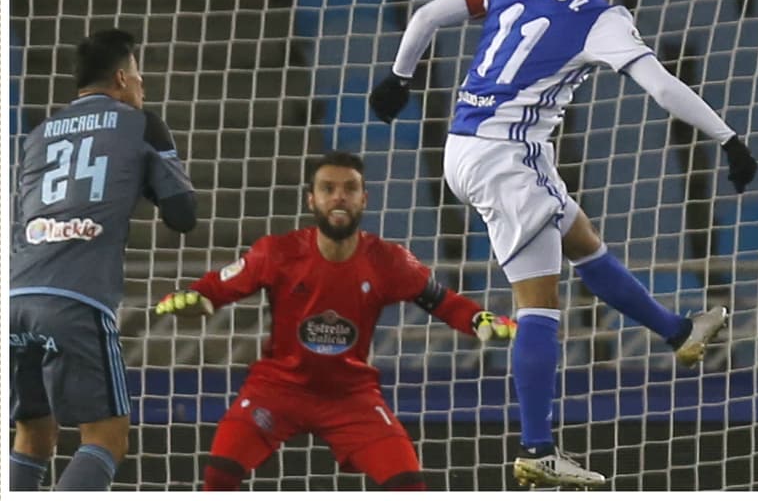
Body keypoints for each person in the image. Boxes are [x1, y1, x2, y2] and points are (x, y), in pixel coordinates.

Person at [368, 0, 758, 487]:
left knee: (581, 239)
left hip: (464, 143)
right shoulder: (605, 18)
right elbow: (663, 87)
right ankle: (537, 448)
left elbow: (428, 15)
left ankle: (678, 332)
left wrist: (398, 78)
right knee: (539, 305)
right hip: (509, 159)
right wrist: (730, 139)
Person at [153, 151, 516, 491]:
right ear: (312, 200)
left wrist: (479, 320)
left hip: (351, 396)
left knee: (410, 485)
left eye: (350, 189)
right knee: (219, 474)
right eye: (328, 189)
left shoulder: (388, 261)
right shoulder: (277, 253)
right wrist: (195, 299)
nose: (339, 197)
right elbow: (216, 289)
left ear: (364, 200)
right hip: (278, 390)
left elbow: (442, 301)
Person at [9, 28, 199, 491]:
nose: (141, 86)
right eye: (138, 76)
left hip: (14, 294)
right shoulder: (140, 124)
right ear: (121, 76)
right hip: (75, 300)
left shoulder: (38, 134)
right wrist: (161, 160)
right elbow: (183, 216)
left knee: (33, 433)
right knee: (107, 438)